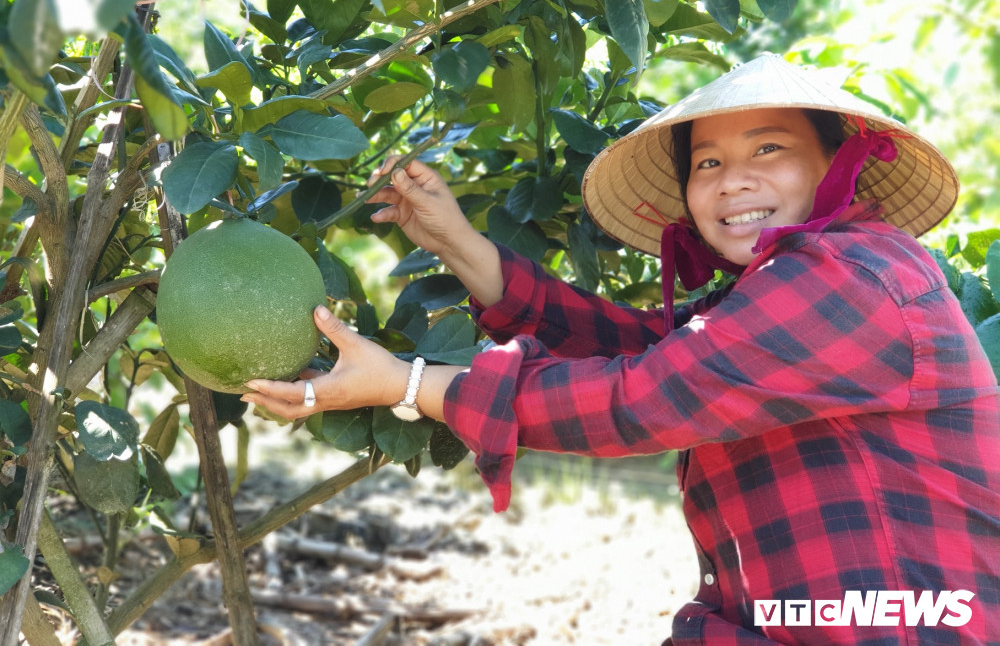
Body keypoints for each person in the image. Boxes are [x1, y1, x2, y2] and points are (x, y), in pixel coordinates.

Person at [243, 54, 1000, 644]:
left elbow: (646, 394)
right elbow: (638, 346)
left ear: (837, 164)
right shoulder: (778, 293)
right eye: (707, 162)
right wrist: (462, 246)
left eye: (769, 149)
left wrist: (409, 383)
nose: (733, 180)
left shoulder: (851, 279)